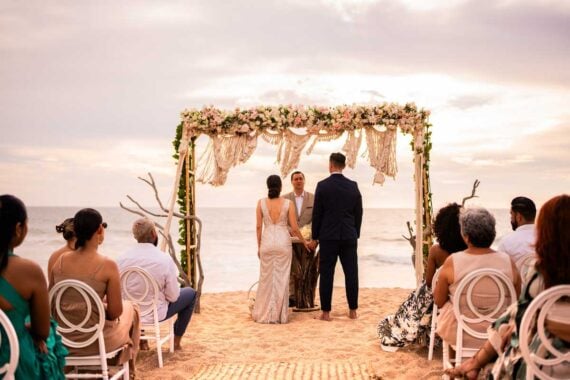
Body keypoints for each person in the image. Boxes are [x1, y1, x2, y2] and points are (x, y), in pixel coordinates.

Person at [446, 194, 570, 379]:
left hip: (543, 363)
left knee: (514, 319)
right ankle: (475, 362)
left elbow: (521, 313)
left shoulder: (542, 273)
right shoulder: (511, 263)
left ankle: (475, 363)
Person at [48, 208, 140, 373]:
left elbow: (52, 303)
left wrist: (91, 306)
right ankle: (129, 365)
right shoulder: (108, 265)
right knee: (132, 309)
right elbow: (114, 313)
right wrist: (99, 306)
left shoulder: (60, 261)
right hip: (96, 342)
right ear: (99, 230)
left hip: (65, 341)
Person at [377, 203, 467, 351]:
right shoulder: (469, 253)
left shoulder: (436, 251)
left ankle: (412, 323)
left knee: (422, 291)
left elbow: (430, 281)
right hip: (462, 298)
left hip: (440, 300)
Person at [434, 207, 522, 350]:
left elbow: (438, 300)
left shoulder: (453, 261)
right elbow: (516, 299)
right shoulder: (507, 261)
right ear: (492, 234)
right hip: (498, 334)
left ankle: (454, 362)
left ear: (466, 236)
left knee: (449, 307)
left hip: (461, 334)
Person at [0, 194, 67, 379]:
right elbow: (42, 331)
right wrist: (20, 327)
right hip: (12, 363)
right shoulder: (28, 271)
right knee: (50, 335)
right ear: (18, 228)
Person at [117, 218, 196, 350]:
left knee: (137, 295)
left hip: (131, 313)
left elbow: (120, 292)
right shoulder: (164, 259)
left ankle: (141, 340)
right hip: (156, 314)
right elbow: (173, 297)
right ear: (154, 233)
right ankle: (176, 342)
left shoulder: (121, 259)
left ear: (135, 236)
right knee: (191, 293)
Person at [312, 152, 363, 321]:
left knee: (327, 273)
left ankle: (326, 312)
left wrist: (315, 236)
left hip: (328, 236)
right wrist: (356, 232)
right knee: (351, 273)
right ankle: (353, 310)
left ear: (331, 165)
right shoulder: (353, 185)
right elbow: (358, 212)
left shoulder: (322, 186)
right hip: (349, 235)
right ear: (343, 166)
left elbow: (317, 213)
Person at [252, 175, 309, 324]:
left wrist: (259, 246)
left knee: (266, 279)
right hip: (283, 243)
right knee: (282, 279)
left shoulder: (261, 203)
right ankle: (278, 315)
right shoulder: (288, 203)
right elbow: (295, 228)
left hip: (268, 242)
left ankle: (263, 313)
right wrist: (304, 242)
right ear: (281, 187)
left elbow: (259, 227)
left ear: (268, 186)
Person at [283, 170, 316, 308]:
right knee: (291, 268)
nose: (298, 181)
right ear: (292, 182)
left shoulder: (313, 198)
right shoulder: (284, 199)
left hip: (309, 241)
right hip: (290, 240)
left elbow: (317, 219)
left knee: (308, 268)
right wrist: (290, 231)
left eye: (300, 178)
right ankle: (292, 296)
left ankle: (307, 296)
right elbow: (282, 220)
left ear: (304, 180)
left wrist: (315, 238)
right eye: (295, 179)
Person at [497, 196, 537, 269]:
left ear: (519, 217)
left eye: (511, 214)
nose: (511, 218)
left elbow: (501, 272)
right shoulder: (549, 240)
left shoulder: (506, 242)